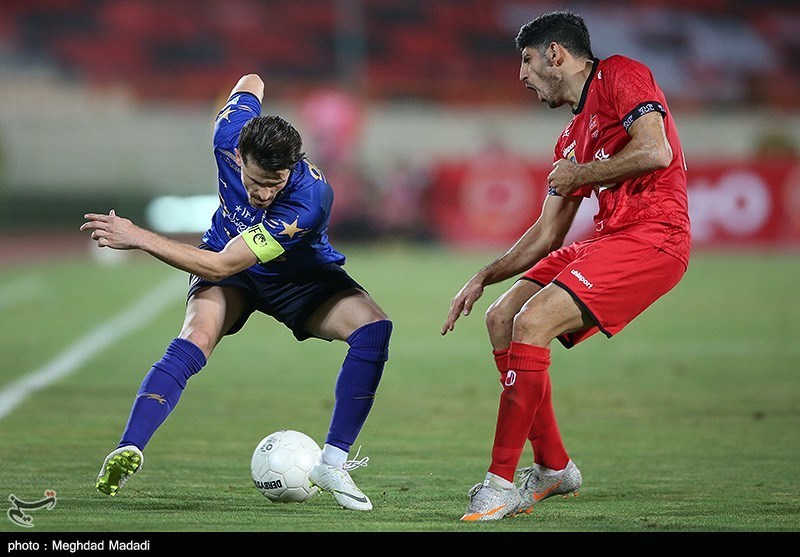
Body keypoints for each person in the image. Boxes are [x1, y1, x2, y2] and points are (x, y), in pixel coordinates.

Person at [81, 74, 392, 512]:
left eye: (276, 182)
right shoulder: (229, 131)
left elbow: (220, 265)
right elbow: (252, 81)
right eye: (256, 179)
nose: (265, 193)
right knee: (195, 339)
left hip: (297, 277)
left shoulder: (309, 200)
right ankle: (128, 447)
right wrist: (253, 84)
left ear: (293, 167)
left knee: (374, 330)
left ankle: (333, 462)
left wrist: (139, 237)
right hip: (233, 263)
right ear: (237, 155)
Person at [441, 10, 690, 522]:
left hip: (657, 235)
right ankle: (554, 468)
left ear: (556, 53)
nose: (521, 75)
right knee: (502, 319)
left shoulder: (622, 74)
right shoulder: (569, 140)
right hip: (610, 235)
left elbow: (656, 151)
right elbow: (548, 234)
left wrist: (584, 173)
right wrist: (483, 277)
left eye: (527, 61)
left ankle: (499, 484)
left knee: (533, 322)